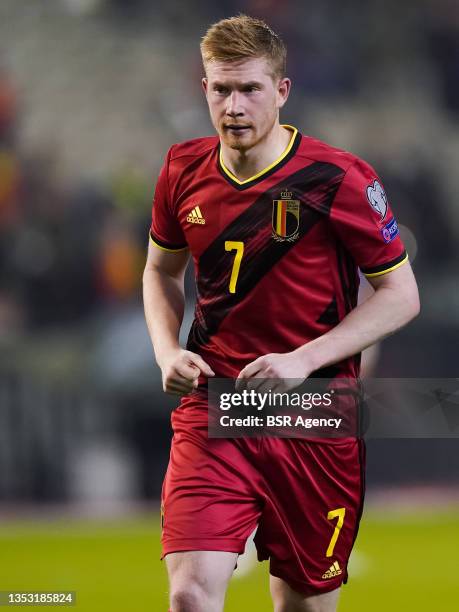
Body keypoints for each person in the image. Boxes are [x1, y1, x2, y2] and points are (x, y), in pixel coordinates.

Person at [143, 14, 420, 612]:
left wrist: (304, 360)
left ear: (282, 91)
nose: (234, 106)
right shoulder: (181, 171)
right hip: (216, 406)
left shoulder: (338, 178)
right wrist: (167, 350)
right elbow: (159, 272)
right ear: (204, 89)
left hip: (314, 414)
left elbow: (402, 294)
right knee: (189, 595)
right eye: (221, 89)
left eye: (250, 89)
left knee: (303, 604)